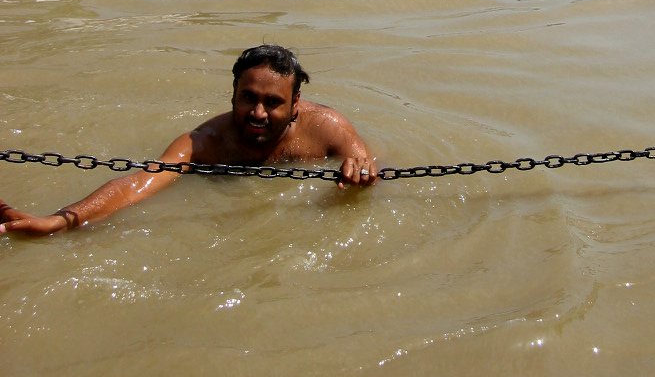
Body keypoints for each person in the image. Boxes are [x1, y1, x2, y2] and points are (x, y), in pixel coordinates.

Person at [0, 44, 377, 238]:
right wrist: (60, 221)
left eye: (273, 102)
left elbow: (364, 165)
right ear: (233, 94)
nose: (258, 112)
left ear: (296, 105)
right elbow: (138, 183)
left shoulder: (326, 129)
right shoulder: (205, 143)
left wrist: (357, 176)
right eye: (249, 97)